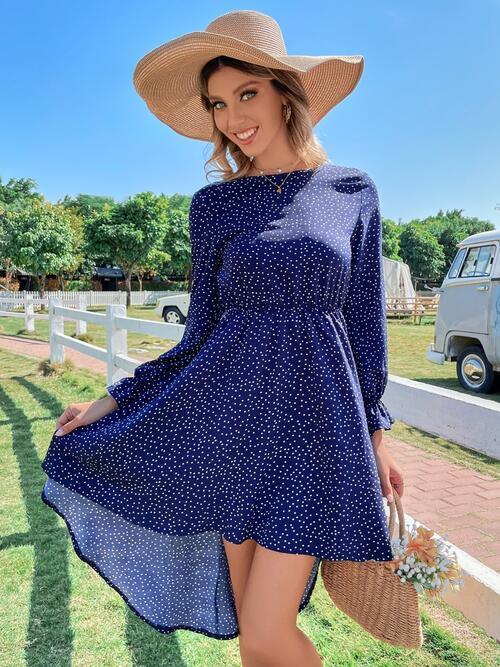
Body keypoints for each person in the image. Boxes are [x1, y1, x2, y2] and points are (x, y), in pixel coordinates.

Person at [40, 10, 405, 667]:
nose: (233, 117)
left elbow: (364, 326)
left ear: (283, 90)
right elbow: (197, 338)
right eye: (218, 104)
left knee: (268, 633)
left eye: (247, 94)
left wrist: (375, 435)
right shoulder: (214, 207)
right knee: (253, 639)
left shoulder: (352, 191)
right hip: (235, 435)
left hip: (316, 439)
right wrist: (112, 401)